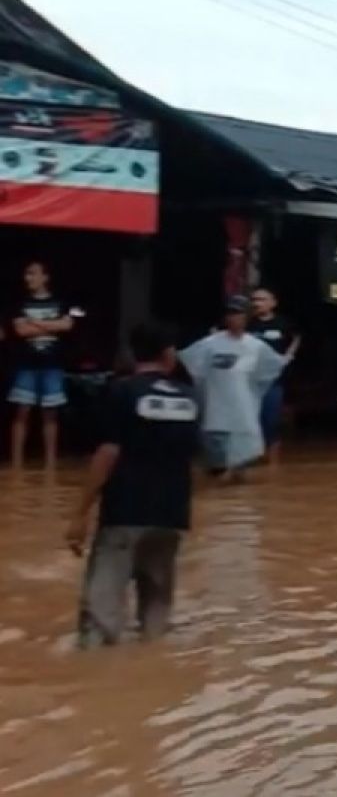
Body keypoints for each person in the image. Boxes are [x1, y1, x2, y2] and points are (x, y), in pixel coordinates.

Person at [66, 322, 198, 649]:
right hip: (171, 517)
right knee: (156, 617)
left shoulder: (121, 391)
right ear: (169, 355)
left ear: (132, 353)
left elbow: (108, 453)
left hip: (124, 514)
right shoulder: (192, 397)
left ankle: (97, 684)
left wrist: (80, 513)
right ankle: (153, 672)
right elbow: (193, 458)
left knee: (100, 620)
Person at [180, 296, 289, 482]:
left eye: (238, 314)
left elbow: (273, 367)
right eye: (230, 314)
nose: (234, 318)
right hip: (214, 413)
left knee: (241, 472)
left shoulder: (256, 347)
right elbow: (188, 364)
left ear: (246, 317)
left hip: (243, 415)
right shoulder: (209, 344)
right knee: (216, 469)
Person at [8, 261, 74, 468]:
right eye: (26, 274)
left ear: (45, 277)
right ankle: (17, 461)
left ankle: (51, 462)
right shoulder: (20, 303)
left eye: (32, 273)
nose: (28, 278)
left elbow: (67, 325)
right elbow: (21, 331)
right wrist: (52, 325)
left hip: (52, 364)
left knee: (50, 415)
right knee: (22, 412)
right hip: (26, 365)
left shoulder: (60, 302)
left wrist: (35, 323)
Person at [248, 287, 300, 465]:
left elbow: (296, 338)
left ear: (273, 303)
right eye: (254, 299)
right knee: (251, 418)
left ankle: (273, 460)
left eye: (262, 299)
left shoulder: (283, 323)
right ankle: (253, 454)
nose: (257, 303)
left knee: (271, 419)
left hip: (273, 380)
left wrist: (288, 355)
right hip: (250, 380)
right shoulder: (248, 324)